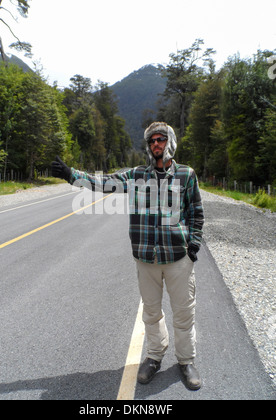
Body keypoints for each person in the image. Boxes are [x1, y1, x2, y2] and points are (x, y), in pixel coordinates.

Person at [51, 122, 204, 391]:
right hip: (146, 259)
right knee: (151, 313)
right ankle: (155, 356)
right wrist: (71, 175)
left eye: (161, 139)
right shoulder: (136, 176)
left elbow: (196, 213)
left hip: (179, 258)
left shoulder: (186, 174)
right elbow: (104, 182)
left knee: (183, 313)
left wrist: (193, 245)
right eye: (152, 141)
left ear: (170, 142)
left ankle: (186, 361)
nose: (156, 144)